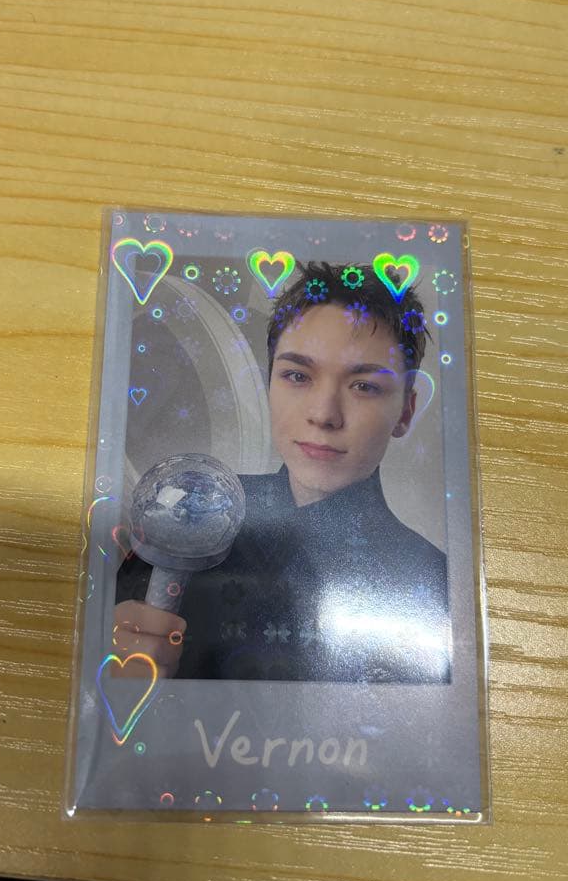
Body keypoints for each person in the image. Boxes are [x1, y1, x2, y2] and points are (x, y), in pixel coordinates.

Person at [112, 261, 450, 683]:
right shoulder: (183, 515)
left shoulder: (436, 586)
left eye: (364, 386)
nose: (323, 415)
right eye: (297, 376)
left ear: (405, 411)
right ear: (269, 382)